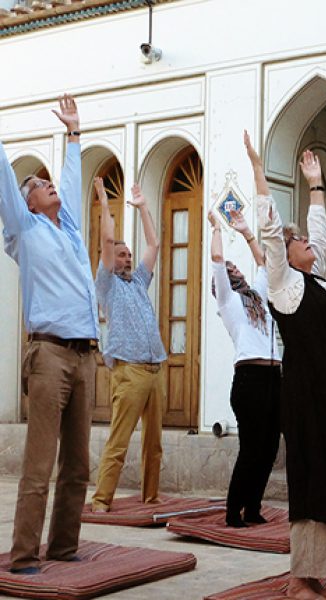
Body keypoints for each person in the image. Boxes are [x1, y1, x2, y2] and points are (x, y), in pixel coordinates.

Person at [251, 140, 326, 600]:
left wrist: (317, 185)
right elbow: (270, 230)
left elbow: (320, 231)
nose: (308, 244)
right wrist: (261, 171)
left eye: (304, 241)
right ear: (285, 252)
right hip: (308, 400)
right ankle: (298, 579)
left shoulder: (316, 280)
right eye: (298, 241)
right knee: (312, 478)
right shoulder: (283, 283)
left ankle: (318, 570)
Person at [1, 95, 99, 573]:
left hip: (84, 357)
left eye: (47, 180)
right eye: (38, 184)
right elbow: (5, 182)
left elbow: (73, 186)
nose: (48, 185)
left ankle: (62, 545)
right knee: (40, 463)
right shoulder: (24, 231)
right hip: (48, 356)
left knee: (78, 465)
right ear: (27, 203)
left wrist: (75, 135)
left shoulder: (72, 232)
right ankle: (22, 554)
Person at [208, 134, 281, 528]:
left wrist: (246, 232)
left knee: (269, 449)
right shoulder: (230, 304)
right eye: (231, 273)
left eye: (239, 270)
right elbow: (218, 261)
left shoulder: (261, 299)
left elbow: (266, 262)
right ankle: (233, 510)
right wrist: (218, 228)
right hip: (250, 377)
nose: (236, 270)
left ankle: (253, 508)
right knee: (252, 447)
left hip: (274, 376)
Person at [90, 180, 167, 513]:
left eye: (128, 255)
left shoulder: (138, 281)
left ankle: (151, 495)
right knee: (119, 439)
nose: (126, 259)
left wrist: (144, 208)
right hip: (129, 370)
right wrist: (106, 202)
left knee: (155, 443)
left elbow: (155, 243)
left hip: (155, 368)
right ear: (110, 260)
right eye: (121, 255)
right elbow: (107, 240)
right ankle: (101, 499)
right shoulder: (106, 284)